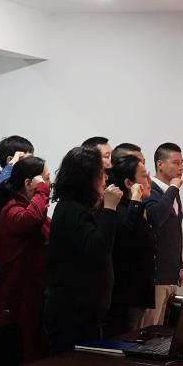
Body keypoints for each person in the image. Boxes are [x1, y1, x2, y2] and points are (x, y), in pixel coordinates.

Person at [44, 144, 123, 353]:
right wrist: (110, 207)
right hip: (71, 314)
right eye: (101, 174)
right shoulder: (71, 210)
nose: (106, 179)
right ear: (87, 178)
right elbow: (97, 250)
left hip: (85, 312)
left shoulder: (80, 208)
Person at [0, 155, 51, 361]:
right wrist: (41, 191)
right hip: (18, 299)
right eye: (45, 179)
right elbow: (29, 220)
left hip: (36, 296)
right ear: (28, 183)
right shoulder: (12, 209)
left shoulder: (37, 210)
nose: (48, 185)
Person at [0, 135, 35, 308]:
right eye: (27, 160)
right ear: (11, 160)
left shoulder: (26, 190)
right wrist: (13, 164)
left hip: (22, 270)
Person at [104, 152, 155, 335]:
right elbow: (126, 237)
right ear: (128, 183)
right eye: (144, 176)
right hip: (126, 292)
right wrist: (135, 200)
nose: (149, 181)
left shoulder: (136, 207)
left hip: (138, 290)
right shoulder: (119, 207)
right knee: (124, 339)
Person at [141, 142, 183, 327]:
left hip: (171, 274)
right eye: (175, 162)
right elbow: (156, 218)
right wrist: (173, 189)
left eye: (182, 162)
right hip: (156, 276)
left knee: (164, 332)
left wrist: (180, 265)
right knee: (150, 329)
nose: (181, 167)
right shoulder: (150, 190)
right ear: (160, 164)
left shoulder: (172, 192)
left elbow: (175, 231)